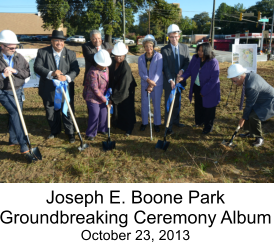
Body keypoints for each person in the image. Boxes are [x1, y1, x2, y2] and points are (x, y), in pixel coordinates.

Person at [34, 30, 80, 143]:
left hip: (66, 90)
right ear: (52, 41)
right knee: (50, 112)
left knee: (67, 111)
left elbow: (76, 70)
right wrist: (51, 73)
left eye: (61, 40)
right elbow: (37, 67)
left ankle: (70, 133)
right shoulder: (42, 52)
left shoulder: (71, 54)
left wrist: (67, 77)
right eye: (56, 40)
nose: (59, 43)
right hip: (48, 89)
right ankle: (55, 131)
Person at [0, 30, 31, 159]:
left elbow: (27, 72)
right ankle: (24, 145)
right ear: (1, 45)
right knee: (15, 113)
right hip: (3, 91)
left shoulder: (19, 57)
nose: (14, 49)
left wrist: (15, 70)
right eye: (11, 47)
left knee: (16, 116)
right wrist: (2, 75)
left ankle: (13, 139)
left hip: (17, 90)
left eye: (15, 46)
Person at [177, 43, 220, 134]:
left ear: (207, 51)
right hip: (197, 86)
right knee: (199, 106)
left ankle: (208, 127)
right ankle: (199, 122)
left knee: (209, 108)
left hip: (210, 89)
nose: (200, 52)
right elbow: (189, 70)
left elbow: (214, 79)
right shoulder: (195, 58)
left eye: (202, 51)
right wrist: (183, 77)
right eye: (198, 50)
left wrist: (204, 91)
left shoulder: (213, 62)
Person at [227, 64, 274, 148]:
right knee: (248, 113)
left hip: (270, 102)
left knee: (253, 116)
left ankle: (259, 137)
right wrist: (245, 116)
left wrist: (243, 118)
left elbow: (249, 104)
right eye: (232, 81)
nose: (234, 83)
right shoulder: (248, 76)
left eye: (234, 81)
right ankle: (251, 132)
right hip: (261, 100)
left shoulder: (251, 86)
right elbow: (249, 104)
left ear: (241, 77)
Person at [161, 24, 190, 135]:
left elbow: (187, 62)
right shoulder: (165, 50)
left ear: (179, 36)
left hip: (180, 80)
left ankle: (176, 121)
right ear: (168, 37)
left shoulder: (185, 48)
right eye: (171, 37)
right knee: (169, 103)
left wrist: (182, 70)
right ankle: (168, 126)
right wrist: (171, 80)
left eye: (176, 36)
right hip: (170, 82)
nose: (174, 39)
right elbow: (165, 67)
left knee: (177, 102)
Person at [109, 42, 137, 136]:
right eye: (116, 55)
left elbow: (123, 87)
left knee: (126, 108)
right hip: (117, 88)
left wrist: (112, 99)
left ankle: (129, 128)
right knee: (118, 108)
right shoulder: (112, 62)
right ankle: (118, 124)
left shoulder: (125, 68)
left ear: (124, 55)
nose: (118, 58)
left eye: (120, 56)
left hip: (126, 90)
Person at [83, 50, 112, 140]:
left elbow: (107, 82)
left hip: (103, 95)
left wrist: (108, 94)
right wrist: (104, 99)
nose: (104, 66)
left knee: (104, 112)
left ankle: (102, 128)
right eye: (102, 64)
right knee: (95, 113)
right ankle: (90, 133)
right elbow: (95, 89)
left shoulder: (106, 68)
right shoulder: (92, 72)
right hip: (92, 97)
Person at [138, 34, 163, 133]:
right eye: (146, 46)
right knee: (144, 104)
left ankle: (157, 123)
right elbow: (140, 72)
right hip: (145, 84)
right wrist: (148, 81)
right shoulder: (140, 58)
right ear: (144, 47)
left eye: (150, 46)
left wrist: (152, 84)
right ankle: (144, 122)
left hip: (157, 85)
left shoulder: (159, 56)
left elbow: (158, 72)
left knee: (156, 104)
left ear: (153, 46)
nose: (149, 48)